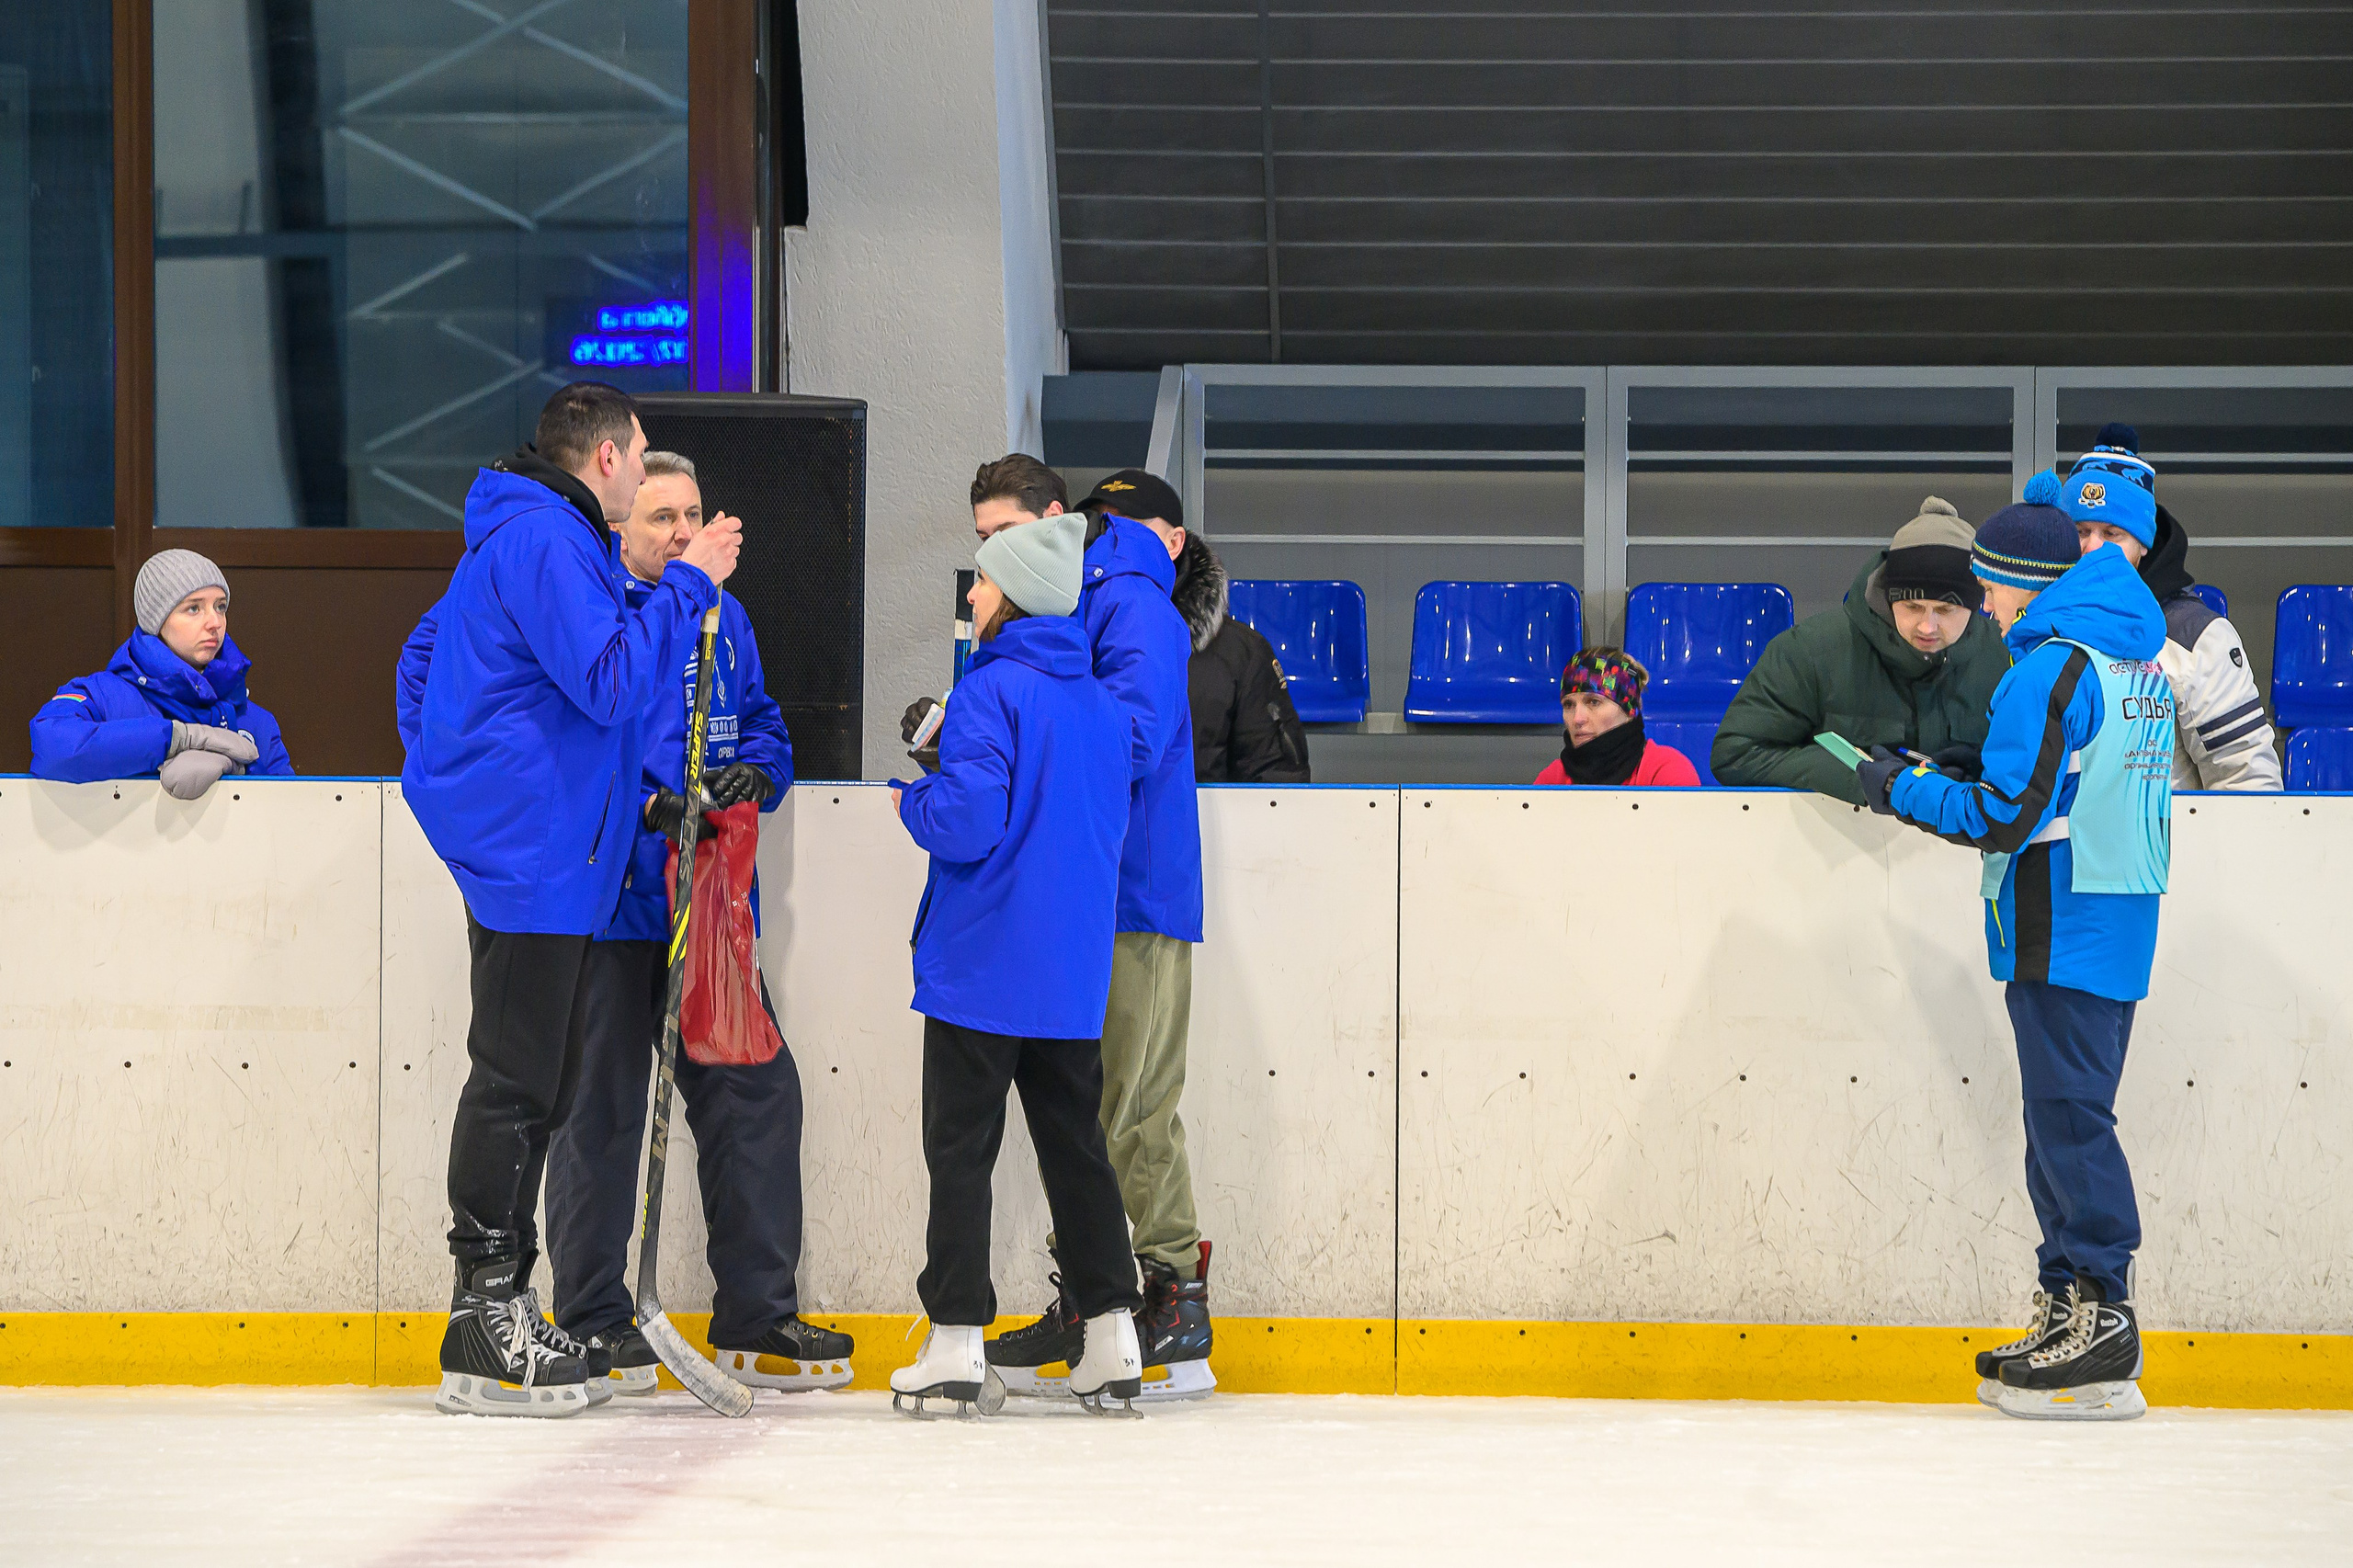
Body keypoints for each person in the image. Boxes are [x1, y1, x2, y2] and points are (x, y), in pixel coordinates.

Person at [403, 450, 853, 1399]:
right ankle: (594, 1314)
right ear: (619, 526)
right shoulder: (569, 594)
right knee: (594, 1109)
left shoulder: (725, 617)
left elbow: (761, 723)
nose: (682, 533)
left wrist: (758, 772)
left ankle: (756, 1313)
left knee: (755, 1094)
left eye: (692, 515)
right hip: (605, 901)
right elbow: (433, 673)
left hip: (709, 906)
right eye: (660, 517)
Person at [397, 382, 742, 1418]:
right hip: (531, 851)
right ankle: (483, 1314)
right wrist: (689, 582)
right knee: (516, 1080)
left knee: (536, 1082)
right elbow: (611, 682)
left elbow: (504, 677)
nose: (644, 471)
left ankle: (502, 1301)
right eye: (640, 454)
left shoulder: (543, 537)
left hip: (546, 844)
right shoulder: (546, 540)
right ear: (607, 458)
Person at [1854, 486, 2170, 1423]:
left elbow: (2001, 818)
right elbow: (2069, 779)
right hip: (2111, 914)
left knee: (2068, 1123)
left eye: (1987, 586)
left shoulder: (2045, 669)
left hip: (2058, 922)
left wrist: (1899, 788)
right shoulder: (2130, 659)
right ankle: (2071, 1303)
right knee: (2060, 1121)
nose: (1984, 605)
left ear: (2022, 584)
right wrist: (1971, 763)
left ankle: (2103, 1320)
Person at [958, 459, 1216, 1401]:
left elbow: (1131, 740)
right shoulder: (1086, 597)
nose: (989, 556)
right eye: (982, 538)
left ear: (1055, 520)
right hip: (1094, 885)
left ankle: (1168, 1299)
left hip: (1129, 888)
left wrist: (1027, 726)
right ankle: (1101, 1297)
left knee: (1124, 1102)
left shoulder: (1129, 599)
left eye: (1004, 533)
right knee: (1093, 1104)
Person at [887, 516, 1146, 1416]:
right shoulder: (1106, 708)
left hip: (982, 964)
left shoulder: (987, 691)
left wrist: (914, 798)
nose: (973, 594)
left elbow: (968, 822)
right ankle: (1112, 1333)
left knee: (961, 1152)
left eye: (985, 580)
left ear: (1018, 597)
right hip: (1069, 972)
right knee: (1077, 1150)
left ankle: (957, 1338)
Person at [1712, 497, 2008, 803]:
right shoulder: (1809, 651)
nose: (1927, 626)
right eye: (1912, 606)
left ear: (1978, 604)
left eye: (1946, 610)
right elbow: (1735, 754)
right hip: (1841, 830)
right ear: (1888, 596)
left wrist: (1981, 771)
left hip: (1962, 830)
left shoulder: (2008, 657)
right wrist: (1860, 778)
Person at [2063, 424, 2280, 790]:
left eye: (2112, 534)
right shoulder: (2037, 625)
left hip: (2165, 830)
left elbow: (2247, 783)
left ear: (2143, 543)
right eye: (2080, 531)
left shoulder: (2194, 636)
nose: (2093, 548)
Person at [30, 550, 291, 796]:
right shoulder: (102, 696)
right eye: (194, 608)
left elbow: (289, 815)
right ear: (156, 621)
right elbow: (53, 747)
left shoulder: (256, 721)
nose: (215, 622)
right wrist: (176, 739)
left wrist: (238, 771)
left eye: (220, 607)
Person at [1168, 514, 1311, 784]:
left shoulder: (1242, 652)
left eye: (1137, 526)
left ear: (1174, 543)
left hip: (1208, 812)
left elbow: (1274, 780)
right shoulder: (1083, 645)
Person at [1532, 648, 1699, 787]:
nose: (1577, 719)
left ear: (1630, 710)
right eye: (1568, 705)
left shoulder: (1667, 772)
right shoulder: (1552, 779)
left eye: (1594, 702)